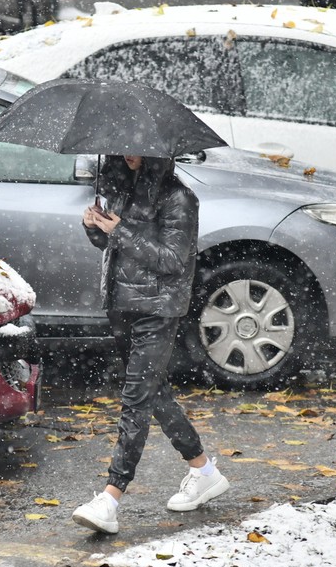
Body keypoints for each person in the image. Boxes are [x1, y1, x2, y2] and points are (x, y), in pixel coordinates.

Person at [71, 154, 228, 534]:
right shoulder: (122, 191)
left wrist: (120, 229)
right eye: (123, 147)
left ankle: (110, 497)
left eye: (138, 148)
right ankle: (203, 469)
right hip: (123, 305)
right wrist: (94, 226)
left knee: (136, 400)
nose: (129, 154)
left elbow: (173, 260)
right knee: (154, 394)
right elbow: (115, 249)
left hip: (159, 309)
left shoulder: (179, 199)